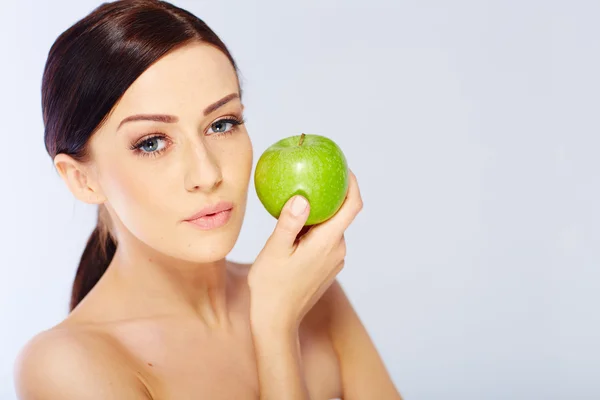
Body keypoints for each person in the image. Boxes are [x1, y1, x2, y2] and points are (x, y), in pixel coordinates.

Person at [13, 0, 402, 398]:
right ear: (81, 179)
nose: (208, 174)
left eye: (222, 124)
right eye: (151, 143)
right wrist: (274, 328)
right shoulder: (65, 365)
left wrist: (280, 309)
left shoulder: (311, 296)